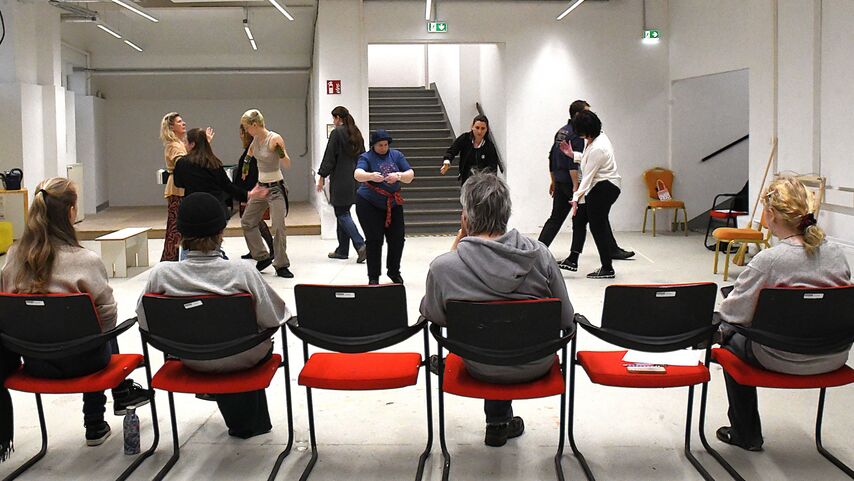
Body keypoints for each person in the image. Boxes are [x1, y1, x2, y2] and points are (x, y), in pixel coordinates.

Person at [420, 171, 574, 448]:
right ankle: (500, 422)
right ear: (507, 213)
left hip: (479, 364)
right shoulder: (541, 255)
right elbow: (566, 319)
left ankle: (497, 421)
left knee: (489, 338)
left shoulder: (444, 268)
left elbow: (435, 316)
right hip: (536, 362)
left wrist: (456, 250)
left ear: (465, 218)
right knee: (505, 333)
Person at [0, 178, 150, 446]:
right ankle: (96, 420)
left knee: (84, 325)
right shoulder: (85, 260)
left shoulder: (12, 258)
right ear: (71, 212)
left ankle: (116, 399)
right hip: (85, 366)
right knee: (99, 328)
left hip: (35, 364)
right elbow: (107, 320)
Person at [137, 192, 290, 439]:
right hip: (243, 357)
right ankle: (249, 422)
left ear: (181, 233)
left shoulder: (162, 275)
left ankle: (244, 420)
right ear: (221, 232)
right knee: (241, 340)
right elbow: (274, 317)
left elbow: (145, 321)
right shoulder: (241, 272)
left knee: (218, 338)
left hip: (191, 358)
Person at [715, 177, 852, 452]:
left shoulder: (769, 260)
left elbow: (733, 314)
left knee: (726, 335)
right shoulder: (837, 254)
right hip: (833, 356)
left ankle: (746, 433)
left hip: (779, 358)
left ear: (772, 214)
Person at [537, 100, 635, 266]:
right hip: (583, 184)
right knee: (587, 221)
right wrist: (573, 158)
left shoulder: (567, 133)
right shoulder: (586, 136)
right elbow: (582, 165)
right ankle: (580, 260)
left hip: (599, 186)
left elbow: (585, 172)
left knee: (591, 223)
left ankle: (603, 264)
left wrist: (572, 194)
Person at [354, 129, 414, 285]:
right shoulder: (366, 157)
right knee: (374, 240)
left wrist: (399, 176)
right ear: (373, 145)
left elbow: (410, 174)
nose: (383, 147)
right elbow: (358, 173)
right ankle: (373, 277)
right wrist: (371, 176)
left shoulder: (396, 156)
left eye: (386, 144)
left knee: (397, 239)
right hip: (369, 203)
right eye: (380, 145)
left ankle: (393, 271)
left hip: (393, 203)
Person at [567, 111, 623, 279]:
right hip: (602, 187)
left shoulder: (598, 147)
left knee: (597, 227)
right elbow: (587, 160)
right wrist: (573, 155)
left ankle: (607, 268)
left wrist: (576, 198)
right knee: (580, 219)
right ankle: (572, 259)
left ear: (587, 131)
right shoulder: (597, 138)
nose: (581, 137)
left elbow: (587, 176)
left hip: (605, 187)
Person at [240, 109, 294, 278]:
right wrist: (245, 171)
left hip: (276, 188)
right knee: (247, 221)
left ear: (255, 125)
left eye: (247, 127)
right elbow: (248, 157)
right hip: (261, 187)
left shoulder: (274, 139)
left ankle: (281, 264)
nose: (246, 131)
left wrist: (280, 152)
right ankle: (262, 257)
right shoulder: (255, 141)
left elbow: (287, 163)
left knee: (278, 227)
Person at [173, 128, 267, 218]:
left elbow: (178, 183)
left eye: (185, 142)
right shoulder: (214, 163)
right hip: (215, 209)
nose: (184, 145)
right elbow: (227, 186)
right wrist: (248, 195)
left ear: (192, 144)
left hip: (193, 209)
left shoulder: (182, 163)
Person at [316, 106, 367, 263]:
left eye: (334, 118)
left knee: (341, 213)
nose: (333, 121)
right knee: (344, 211)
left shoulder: (337, 133)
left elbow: (329, 156)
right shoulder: (356, 133)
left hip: (341, 180)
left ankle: (361, 245)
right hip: (355, 180)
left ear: (338, 118)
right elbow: (364, 156)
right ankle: (342, 250)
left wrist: (322, 176)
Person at [233, 124, 275, 260]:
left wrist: (250, 191)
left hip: (253, 190)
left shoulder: (253, 150)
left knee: (254, 221)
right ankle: (256, 249)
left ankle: (270, 248)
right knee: (253, 221)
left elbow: (252, 173)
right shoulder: (252, 149)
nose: (239, 136)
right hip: (252, 189)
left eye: (241, 133)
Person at [439, 115, 500, 184]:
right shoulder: (465, 138)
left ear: (487, 129)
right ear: (472, 127)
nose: (479, 131)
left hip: (482, 183)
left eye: (483, 128)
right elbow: (452, 150)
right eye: (477, 128)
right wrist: (447, 161)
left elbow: (493, 167)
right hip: (466, 180)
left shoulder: (489, 146)